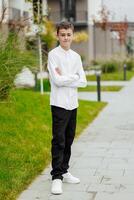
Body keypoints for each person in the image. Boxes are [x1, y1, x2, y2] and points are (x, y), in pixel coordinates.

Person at [47, 21, 87, 195]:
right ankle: (56, 177)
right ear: (57, 35)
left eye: (68, 34)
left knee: (69, 139)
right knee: (59, 140)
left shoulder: (76, 57)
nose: (65, 37)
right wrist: (74, 77)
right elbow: (56, 80)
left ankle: (64, 170)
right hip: (59, 104)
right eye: (62, 34)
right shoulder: (53, 55)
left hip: (73, 104)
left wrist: (67, 77)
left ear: (72, 36)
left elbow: (84, 81)